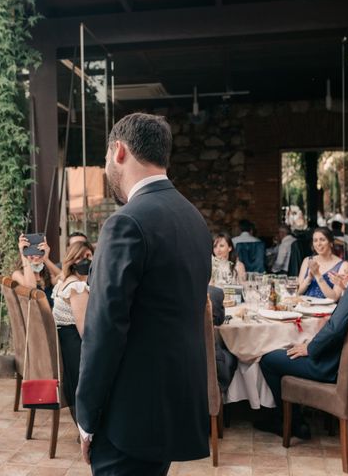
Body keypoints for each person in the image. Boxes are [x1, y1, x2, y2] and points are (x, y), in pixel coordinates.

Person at [76, 113, 212, 475]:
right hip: (171, 406)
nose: (106, 165)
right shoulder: (193, 218)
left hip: (129, 417)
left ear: (119, 150)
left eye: (106, 156)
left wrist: (86, 415)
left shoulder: (126, 222)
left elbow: (103, 329)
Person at [257, 229, 348, 439]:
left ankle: (292, 423)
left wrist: (310, 347)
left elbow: (335, 328)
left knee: (268, 359)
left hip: (334, 367)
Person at [51, 241, 94, 422]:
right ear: (72, 260)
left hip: (66, 345)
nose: (85, 261)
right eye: (80, 257)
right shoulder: (77, 288)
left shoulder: (62, 283)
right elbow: (84, 331)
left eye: (88, 257)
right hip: (76, 348)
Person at [297, 227, 348, 301]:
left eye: (322, 240)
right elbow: (298, 292)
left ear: (331, 243)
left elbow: (335, 297)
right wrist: (309, 277)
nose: (318, 244)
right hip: (304, 307)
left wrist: (317, 275)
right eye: (315, 240)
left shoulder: (344, 265)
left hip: (328, 310)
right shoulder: (307, 260)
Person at [12, 233, 60, 307]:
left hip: (52, 314)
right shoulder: (17, 274)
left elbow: (63, 278)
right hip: (37, 317)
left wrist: (46, 259)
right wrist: (23, 255)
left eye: (38, 251)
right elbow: (31, 287)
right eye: (31, 252)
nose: (36, 257)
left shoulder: (45, 274)